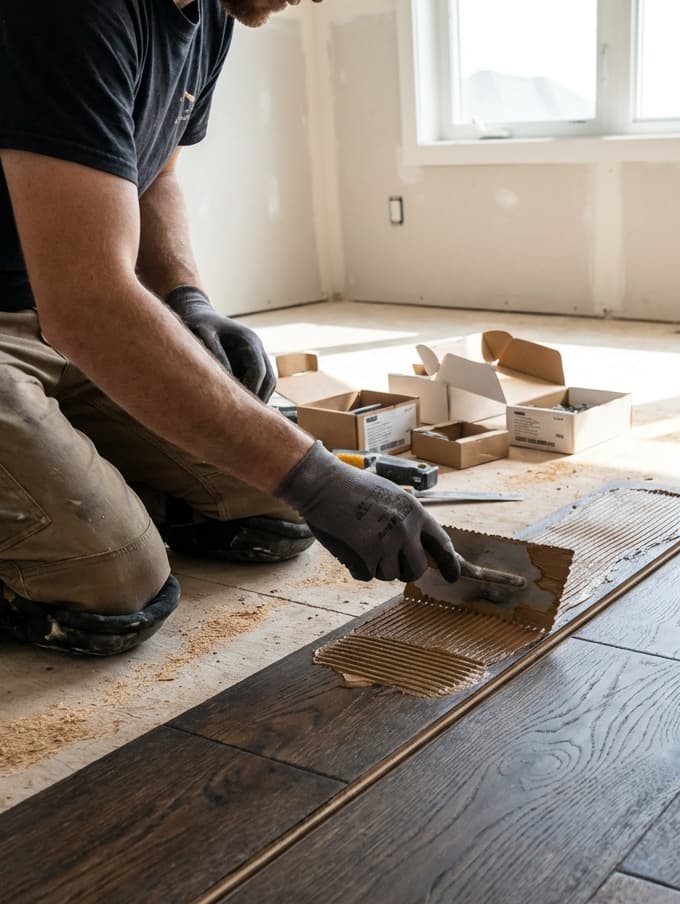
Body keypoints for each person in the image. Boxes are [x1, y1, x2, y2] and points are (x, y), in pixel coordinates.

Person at [0, 0, 459, 656]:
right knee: (113, 586)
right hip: (45, 316)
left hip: (62, 314)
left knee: (270, 511)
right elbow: (88, 304)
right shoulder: (73, 12)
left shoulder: (212, 13)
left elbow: (156, 176)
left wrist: (189, 301)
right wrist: (316, 477)